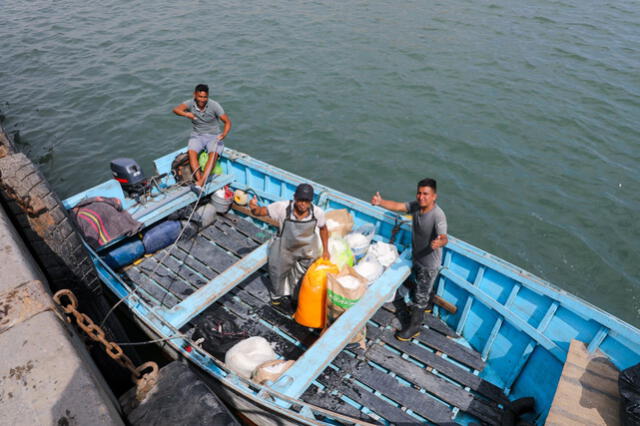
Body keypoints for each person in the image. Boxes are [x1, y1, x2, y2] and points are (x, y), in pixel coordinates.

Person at [371, 178, 448, 341]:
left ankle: (414, 327)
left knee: (419, 296)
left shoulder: (438, 215)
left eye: (426, 194)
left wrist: (439, 242)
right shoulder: (416, 206)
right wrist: (380, 202)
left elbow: (444, 237)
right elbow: (399, 206)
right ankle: (429, 302)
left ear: (434, 196)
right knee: (421, 286)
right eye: (419, 193)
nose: (421, 197)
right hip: (417, 256)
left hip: (429, 264)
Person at [249, 183, 330, 314]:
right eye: (300, 200)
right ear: (294, 197)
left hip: (306, 249)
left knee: (301, 275)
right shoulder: (281, 207)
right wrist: (252, 206)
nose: (303, 204)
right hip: (285, 248)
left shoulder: (317, 213)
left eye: (307, 201)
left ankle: (295, 296)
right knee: (277, 273)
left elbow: (324, 229)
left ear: (311, 201)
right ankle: (277, 298)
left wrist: (326, 250)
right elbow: (260, 212)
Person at [173, 84, 232, 191]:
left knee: (213, 154)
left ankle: (200, 183)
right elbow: (176, 110)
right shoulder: (190, 103)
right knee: (191, 153)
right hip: (197, 135)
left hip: (214, 136)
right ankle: (200, 181)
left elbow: (227, 122)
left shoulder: (215, 106)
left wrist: (224, 133)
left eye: (205, 97)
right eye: (200, 97)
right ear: (195, 95)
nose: (203, 100)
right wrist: (187, 114)